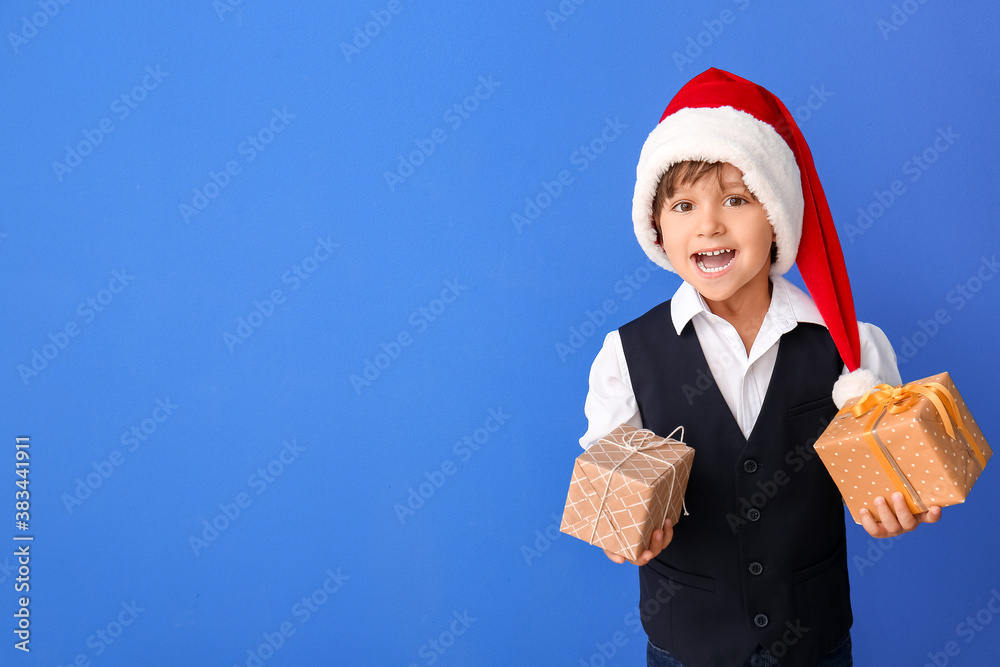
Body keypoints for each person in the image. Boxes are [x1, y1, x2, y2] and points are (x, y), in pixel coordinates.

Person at [579, 69, 941, 667]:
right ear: (657, 229)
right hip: (687, 647)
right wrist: (627, 534)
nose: (710, 224)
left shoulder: (847, 350)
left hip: (815, 643)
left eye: (736, 199)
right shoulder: (626, 355)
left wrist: (892, 506)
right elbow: (610, 486)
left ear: (777, 215)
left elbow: (887, 475)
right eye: (684, 204)